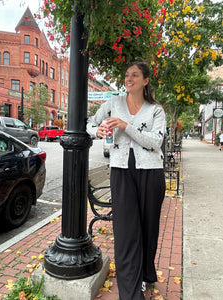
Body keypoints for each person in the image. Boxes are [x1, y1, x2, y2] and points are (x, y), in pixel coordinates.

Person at [87, 61, 166, 300]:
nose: (128, 78)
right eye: (126, 75)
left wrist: (125, 125)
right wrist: (97, 131)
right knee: (125, 231)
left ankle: (144, 274)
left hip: (151, 172)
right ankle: (131, 292)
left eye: (134, 75)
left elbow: (155, 142)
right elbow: (89, 123)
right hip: (121, 171)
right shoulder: (113, 103)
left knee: (148, 228)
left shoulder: (156, 110)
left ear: (145, 80)